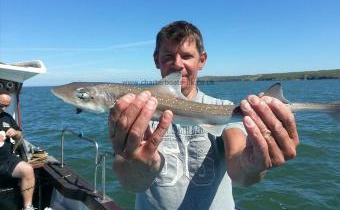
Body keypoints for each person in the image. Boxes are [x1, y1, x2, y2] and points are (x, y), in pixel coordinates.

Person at [108, 21, 299, 209]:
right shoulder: (137, 113)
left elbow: (239, 170)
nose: (177, 64)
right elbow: (129, 182)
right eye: (168, 56)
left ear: (202, 60)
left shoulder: (224, 109)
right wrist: (139, 167)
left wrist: (254, 164)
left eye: (186, 56)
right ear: (156, 59)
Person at [0, 93, 35, 210]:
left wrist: (15, 133)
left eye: (6, 106)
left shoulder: (7, 117)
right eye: (1, 105)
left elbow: (20, 135)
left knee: (28, 170)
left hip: (6, 159)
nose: (3, 108)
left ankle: (28, 207)